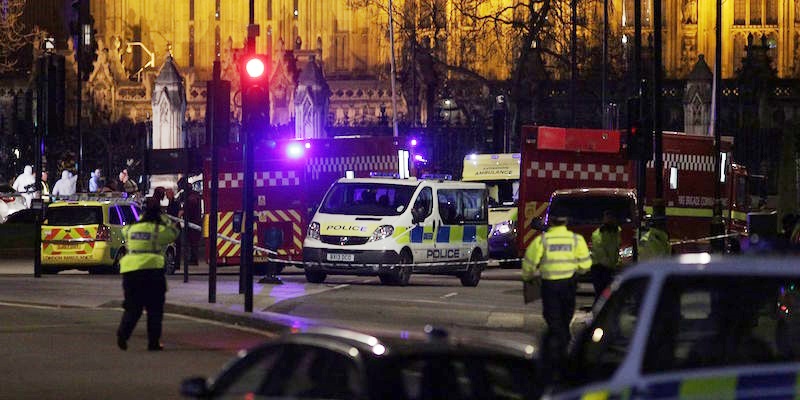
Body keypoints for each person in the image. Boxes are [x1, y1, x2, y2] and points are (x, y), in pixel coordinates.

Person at [522, 215, 591, 374]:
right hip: (569, 285)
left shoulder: (543, 241)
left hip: (550, 285)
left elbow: (529, 262)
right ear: (566, 222)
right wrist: (576, 270)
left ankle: (557, 355)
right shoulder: (576, 240)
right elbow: (586, 265)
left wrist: (528, 277)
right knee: (566, 317)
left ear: (551, 222)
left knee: (553, 318)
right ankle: (565, 349)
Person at [116, 197, 180, 351]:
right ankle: (153, 342)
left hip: (131, 271)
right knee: (154, 309)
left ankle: (123, 334)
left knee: (133, 307)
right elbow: (173, 233)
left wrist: (141, 218)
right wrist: (163, 217)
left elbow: (124, 231)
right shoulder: (158, 230)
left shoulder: (131, 229)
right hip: (152, 271)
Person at [590, 211, 621, 303]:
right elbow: (601, 254)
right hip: (600, 268)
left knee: (608, 294)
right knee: (601, 294)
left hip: (609, 267)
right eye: (608, 218)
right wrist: (613, 266)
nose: (610, 220)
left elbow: (616, 249)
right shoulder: (598, 234)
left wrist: (617, 262)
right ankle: (598, 314)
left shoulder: (616, 232)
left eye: (612, 218)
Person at [177, 177, 202, 265]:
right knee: (191, 242)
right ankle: (192, 258)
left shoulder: (191, 196)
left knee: (193, 242)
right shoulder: (190, 194)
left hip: (193, 221)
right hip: (192, 221)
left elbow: (190, 206)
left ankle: (194, 259)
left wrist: (183, 211)